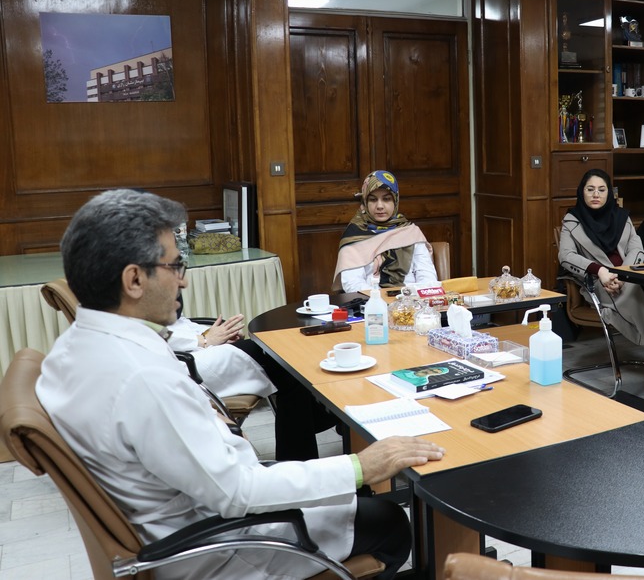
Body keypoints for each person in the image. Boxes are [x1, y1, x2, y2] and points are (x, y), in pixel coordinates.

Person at [36, 189, 445, 580]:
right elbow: (238, 492)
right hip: (217, 544)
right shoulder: (141, 378)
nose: (183, 282)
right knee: (390, 524)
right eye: (175, 267)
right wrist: (361, 466)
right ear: (134, 280)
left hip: (187, 510)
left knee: (344, 493)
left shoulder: (72, 350)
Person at [169, 297, 339, 462]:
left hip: (196, 349)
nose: (183, 282)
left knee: (286, 369)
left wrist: (212, 334)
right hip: (181, 363)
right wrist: (204, 340)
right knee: (280, 360)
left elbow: (180, 323)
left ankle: (301, 450)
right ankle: (321, 422)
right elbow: (157, 335)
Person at [558, 169, 644, 346]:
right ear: (582, 191)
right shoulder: (572, 220)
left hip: (627, 276)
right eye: (590, 189)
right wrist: (600, 271)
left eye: (601, 190)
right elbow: (565, 255)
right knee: (630, 293)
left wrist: (623, 275)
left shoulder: (621, 216)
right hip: (598, 283)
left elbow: (637, 248)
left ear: (609, 193)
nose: (596, 194)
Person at [335, 170, 438, 293]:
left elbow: (427, 276)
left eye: (386, 199)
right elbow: (353, 284)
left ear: (395, 200)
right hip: (371, 301)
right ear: (365, 202)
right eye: (373, 200)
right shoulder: (354, 235)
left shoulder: (410, 232)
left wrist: (410, 297)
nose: (380, 206)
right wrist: (381, 299)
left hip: (412, 299)